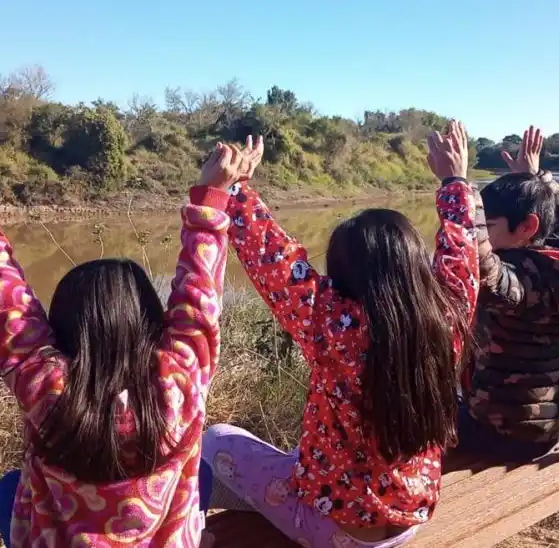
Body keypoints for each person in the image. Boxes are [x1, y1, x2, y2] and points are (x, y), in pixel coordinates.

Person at [0, 146, 244, 547]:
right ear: (152, 323)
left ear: (61, 331)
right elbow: (200, 296)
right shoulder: (179, 379)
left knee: (8, 491)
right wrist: (212, 196)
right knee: (202, 473)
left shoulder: (47, 389)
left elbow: (11, 314)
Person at [199, 129, 481, 547]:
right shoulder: (448, 312)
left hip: (335, 532)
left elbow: (272, 257)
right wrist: (454, 181)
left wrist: (233, 189)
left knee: (216, 440)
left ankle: (189, 534)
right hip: (409, 519)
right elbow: (461, 249)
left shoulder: (330, 324)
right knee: (298, 459)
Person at [429, 125, 559, 464]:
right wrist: (537, 179)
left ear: (527, 228)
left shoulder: (522, 282)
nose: (484, 233)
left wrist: (456, 184)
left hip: (499, 434)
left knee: (407, 411)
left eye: (489, 226)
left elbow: (479, 264)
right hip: (545, 429)